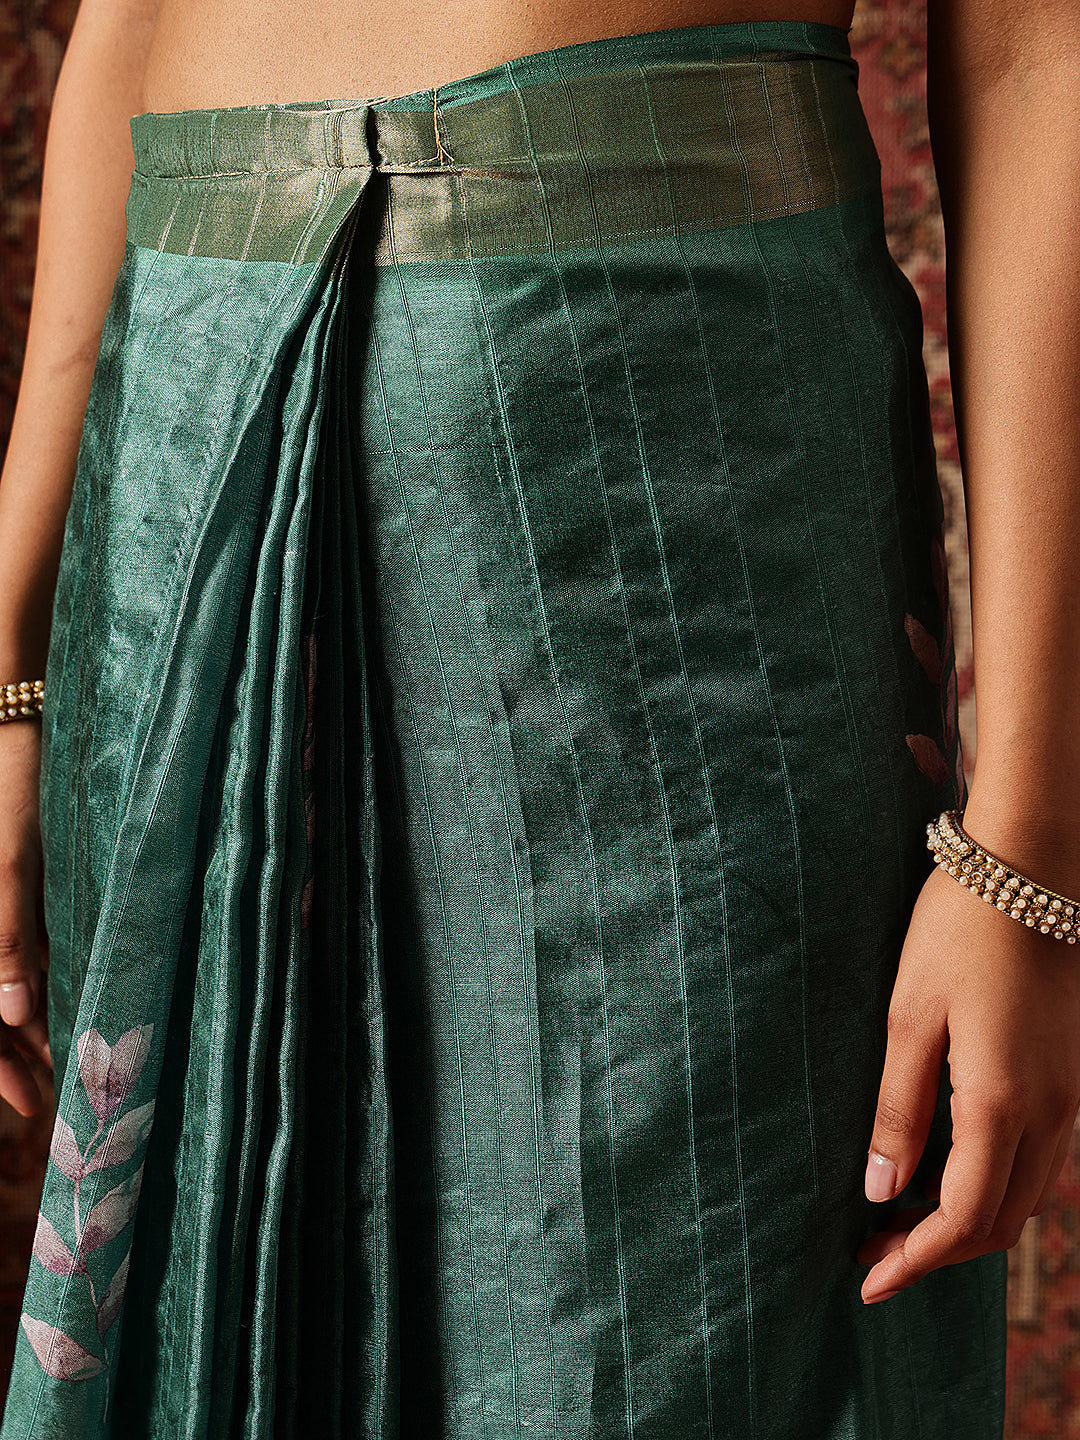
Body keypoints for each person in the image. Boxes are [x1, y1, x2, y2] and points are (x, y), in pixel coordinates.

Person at [0, 0, 1078, 1433]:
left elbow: (1037, 50)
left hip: (657, 493)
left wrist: (1028, 851)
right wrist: (8, 669)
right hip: (176, 465)